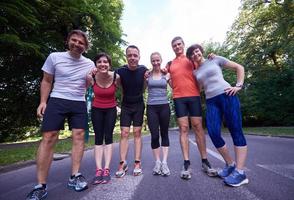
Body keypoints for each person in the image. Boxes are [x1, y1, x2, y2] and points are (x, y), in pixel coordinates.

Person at [26, 30, 95, 200]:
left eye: (81, 42)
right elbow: (47, 80)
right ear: (68, 41)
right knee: (49, 137)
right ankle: (40, 185)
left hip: (78, 101)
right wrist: (43, 102)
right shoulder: (54, 57)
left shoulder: (89, 64)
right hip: (57, 99)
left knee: (79, 136)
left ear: (85, 47)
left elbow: (88, 86)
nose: (77, 44)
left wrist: (89, 81)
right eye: (74, 40)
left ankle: (75, 176)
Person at [186, 43, 249, 187]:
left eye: (197, 51)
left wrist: (238, 85)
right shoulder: (195, 73)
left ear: (201, 51)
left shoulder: (215, 59)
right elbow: (198, 88)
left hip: (227, 95)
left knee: (236, 131)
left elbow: (239, 67)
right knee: (213, 132)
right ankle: (230, 164)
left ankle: (240, 173)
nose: (195, 54)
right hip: (211, 102)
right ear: (191, 58)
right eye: (192, 54)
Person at [165, 36, 217, 180]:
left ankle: (205, 161)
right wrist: (172, 84)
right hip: (179, 98)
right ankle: (186, 163)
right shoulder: (170, 64)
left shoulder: (191, 59)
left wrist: (212, 57)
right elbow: (169, 80)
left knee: (198, 127)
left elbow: (204, 67)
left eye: (179, 44)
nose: (177, 47)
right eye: (174, 45)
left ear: (183, 44)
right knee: (184, 129)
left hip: (194, 97)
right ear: (172, 47)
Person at [115, 45, 148, 177]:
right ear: (126, 56)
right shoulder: (120, 71)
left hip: (139, 104)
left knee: (137, 132)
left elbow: (145, 87)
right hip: (126, 105)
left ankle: (137, 162)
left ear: (139, 57)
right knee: (124, 133)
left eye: (135, 55)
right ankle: (122, 163)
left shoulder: (143, 70)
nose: (132, 58)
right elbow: (117, 86)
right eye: (130, 55)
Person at [88, 52, 120, 184]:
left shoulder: (116, 77)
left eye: (105, 62)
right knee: (98, 138)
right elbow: (83, 91)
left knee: (108, 137)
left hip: (111, 109)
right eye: (100, 62)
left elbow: (123, 89)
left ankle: (106, 169)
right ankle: (98, 170)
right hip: (97, 109)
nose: (103, 64)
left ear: (109, 64)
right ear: (96, 65)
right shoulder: (91, 77)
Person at [146, 52, 171, 176]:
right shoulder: (147, 75)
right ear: (151, 62)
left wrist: (168, 75)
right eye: (153, 61)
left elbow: (174, 86)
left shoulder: (166, 74)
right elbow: (141, 89)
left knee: (164, 133)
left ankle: (164, 163)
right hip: (151, 107)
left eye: (157, 60)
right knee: (154, 135)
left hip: (164, 106)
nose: (156, 63)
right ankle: (157, 162)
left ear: (161, 60)